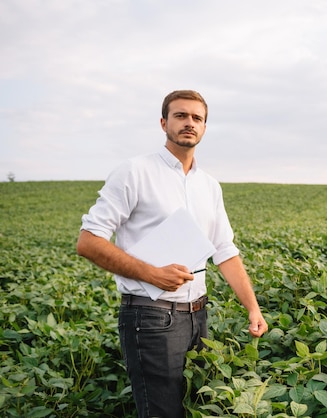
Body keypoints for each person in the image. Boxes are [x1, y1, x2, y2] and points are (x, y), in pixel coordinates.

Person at [76, 90, 268, 418]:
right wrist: (151, 273)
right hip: (150, 317)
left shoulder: (209, 186)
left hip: (198, 316)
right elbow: (89, 241)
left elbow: (224, 250)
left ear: (205, 128)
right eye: (180, 116)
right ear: (164, 123)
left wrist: (253, 308)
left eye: (197, 118)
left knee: (198, 408)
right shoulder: (134, 172)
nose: (189, 123)